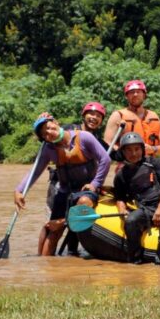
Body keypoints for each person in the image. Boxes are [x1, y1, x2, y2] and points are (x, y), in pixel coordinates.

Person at [14, 112, 110, 256]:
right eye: (44, 134)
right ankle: (44, 266)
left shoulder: (84, 137)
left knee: (83, 201)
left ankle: (63, 223)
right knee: (52, 233)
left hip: (86, 189)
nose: (49, 133)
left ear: (56, 122)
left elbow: (105, 160)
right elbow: (35, 171)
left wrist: (95, 183)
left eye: (49, 127)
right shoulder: (48, 149)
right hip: (65, 191)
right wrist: (19, 190)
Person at [48, 101, 109, 255]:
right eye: (91, 114)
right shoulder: (68, 129)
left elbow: (111, 158)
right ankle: (47, 259)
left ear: (101, 121)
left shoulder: (98, 141)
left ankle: (72, 253)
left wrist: (96, 184)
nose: (94, 118)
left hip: (82, 189)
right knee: (55, 227)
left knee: (75, 227)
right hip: (60, 187)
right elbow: (50, 132)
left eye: (98, 116)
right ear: (83, 116)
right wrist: (47, 119)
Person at [112, 132, 160, 264]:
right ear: (123, 152)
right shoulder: (121, 175)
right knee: (131, 221)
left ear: (142, 149)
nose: (133, 153)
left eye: (137, 149)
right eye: (129, 150)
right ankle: (136, 258)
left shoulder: (153, 163)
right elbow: (120, 197)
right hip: (146, 208)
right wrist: (122, 209)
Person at [104, 79, 160, 174]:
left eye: (138, 92)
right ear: (127, 96)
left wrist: (152, 149)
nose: (135, 94)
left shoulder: (153, 116)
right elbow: (108, 143)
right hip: (127, 165)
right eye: (132, 92)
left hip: (150, 165)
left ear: (144, 95)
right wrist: (128, 153)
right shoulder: (118, 115)